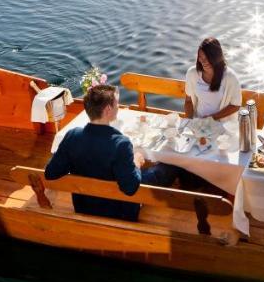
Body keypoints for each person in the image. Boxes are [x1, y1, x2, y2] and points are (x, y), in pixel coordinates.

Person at [44, 83, 180, 221]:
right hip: (119, 213)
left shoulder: (72, 136)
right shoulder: (121, 144)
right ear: (108, 109)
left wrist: (70, 154)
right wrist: (136, 162)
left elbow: (50, 173)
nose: (118, 107)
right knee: (165, 169)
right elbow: (130, 188)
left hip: (83, 207)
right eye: (117, 104)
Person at [183, 37, 242, 121]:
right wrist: (189, 120)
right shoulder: (192, 73)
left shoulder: (230, 77)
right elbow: (188, 101)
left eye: (207, 58)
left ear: (216, 57)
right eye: (201, 57)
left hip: (223, 126)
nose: (204, 62)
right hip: (199, 123)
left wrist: (211, 119)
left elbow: (236, 105)